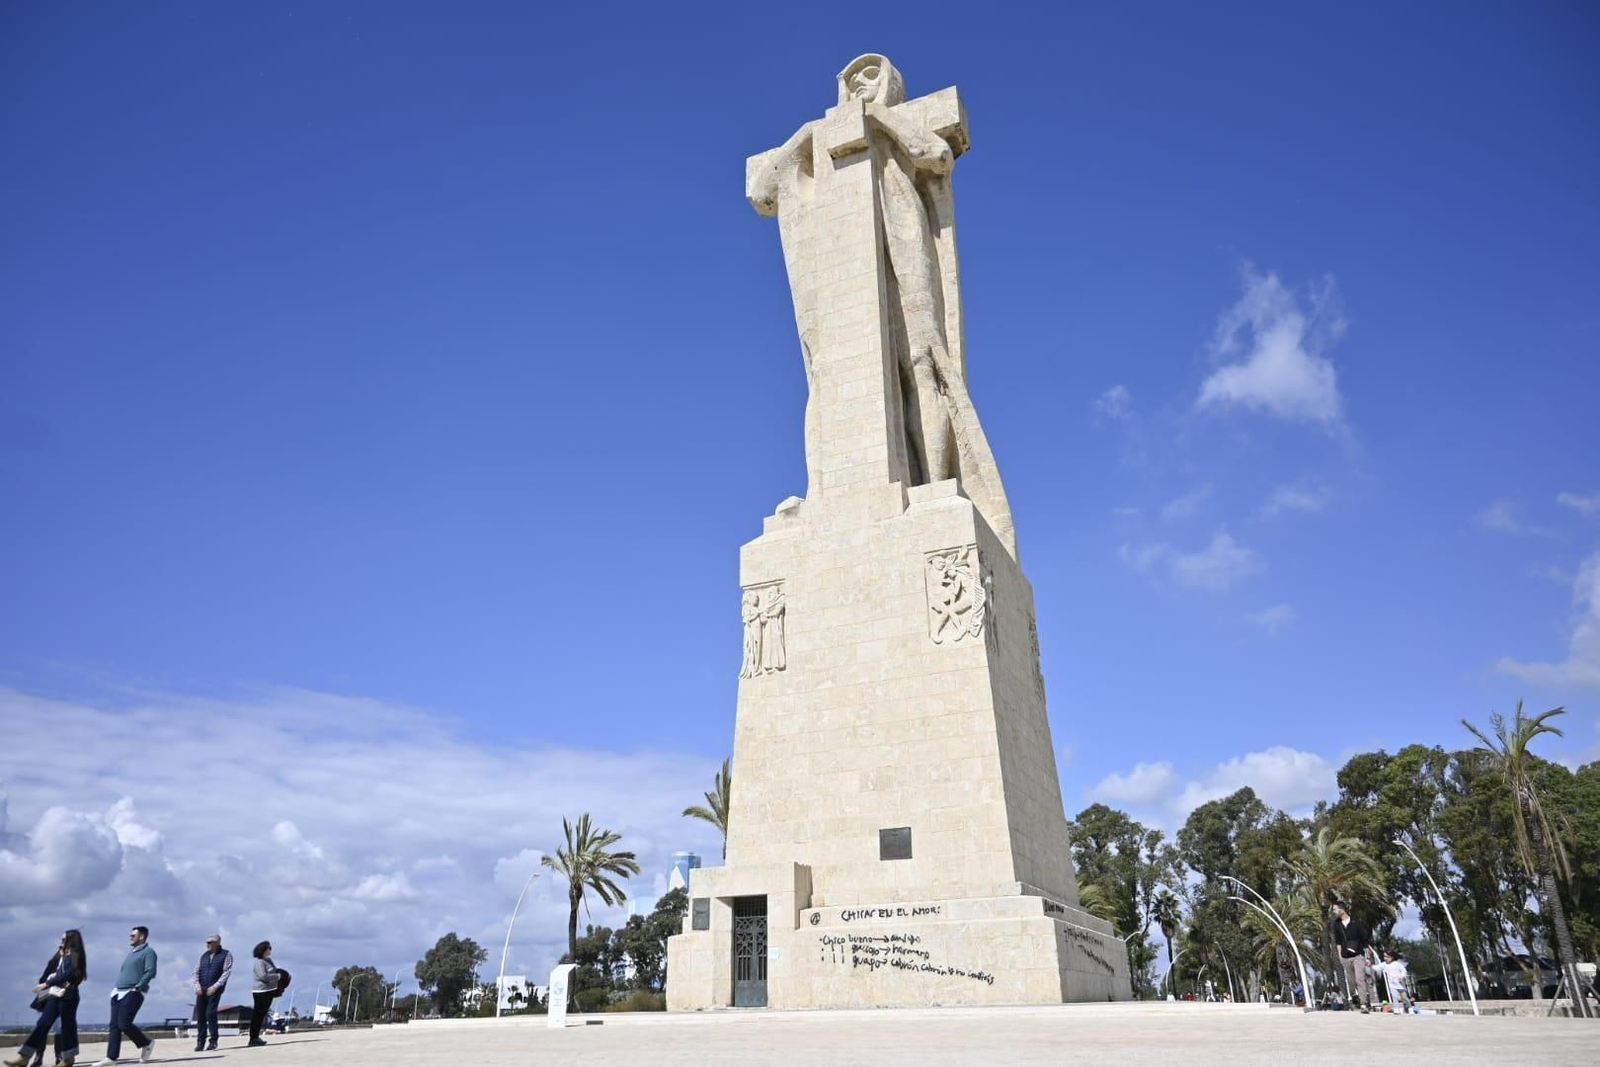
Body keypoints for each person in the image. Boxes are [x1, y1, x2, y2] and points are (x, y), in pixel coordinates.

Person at [5, 930, 86, 1067]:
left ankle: (68, 1059)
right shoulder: (63, 956)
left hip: (68, 996)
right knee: (43, 1023)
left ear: (71, 940)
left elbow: (68, 974)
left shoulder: (74, 955)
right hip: (54, 994)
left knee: (67, 1027)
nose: (61, 942)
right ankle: (24, 1056)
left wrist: (47, 983)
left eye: (63, 939)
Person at [95, 926, 157, 1066]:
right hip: (118, 992)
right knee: (114, 1026)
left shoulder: (148, 952)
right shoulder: (131, 953)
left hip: (133, 991)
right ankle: (111, 1058)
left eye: (133, 935)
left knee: (124, 1023)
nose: (130, 937)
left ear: (141, 937)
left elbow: (150, 971)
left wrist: (138, 986)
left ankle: (146, 1043)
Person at [1329, 901, 1378, 1013]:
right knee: (1352, 981)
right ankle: (1363, 999)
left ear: (1341, 909)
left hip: (1358, 955)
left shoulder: (1356, 922)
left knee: (1359, 979)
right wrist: (1340, 957)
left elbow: (1364, 940)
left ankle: (1364, 1004)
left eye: (1335, 909)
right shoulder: (1336, 924)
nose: (1334, 911)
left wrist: (1368, 957)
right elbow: (1338, 942)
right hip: (1345, 957)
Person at [191, 935, 233, 1052]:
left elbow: (226, 972)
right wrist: (197, 986)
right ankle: (200, 1042)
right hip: (201, 990)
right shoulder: (203, 956)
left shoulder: (226, 954)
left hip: (214, 989)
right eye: (206, 942)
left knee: (210, 1013)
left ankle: (213, 1041)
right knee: (201, 1016)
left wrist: (215, 987)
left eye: (210, 942)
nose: (207, 944)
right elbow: (195, 972)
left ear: (217, 943)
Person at [248, 941, 280, 1047]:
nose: (270, 950)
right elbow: (263, 976)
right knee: (258, 1014)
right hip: (260, 991)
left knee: (262, 1015)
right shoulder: (259, 962)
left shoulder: (269, 960)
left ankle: (256, 1037)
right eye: (268, 948)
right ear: (263, 950)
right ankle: (253, 1037)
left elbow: (274, 971)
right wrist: (277, 977)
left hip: (269, 991)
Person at [1377, 949, 1414, 1014]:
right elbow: (1377, 967)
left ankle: (1409, 1006)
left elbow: (1404, 971)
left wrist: (1401, 976)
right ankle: (1396, 1009)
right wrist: (1370, 965)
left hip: (1400, 984)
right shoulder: (1384, 964)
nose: (1385, 958)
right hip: (1392, 984)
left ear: (1392, 957)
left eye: (1387, 957)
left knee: (1404, 997)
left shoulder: (1397, 964)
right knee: (1394, 996)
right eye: (1384, 956)